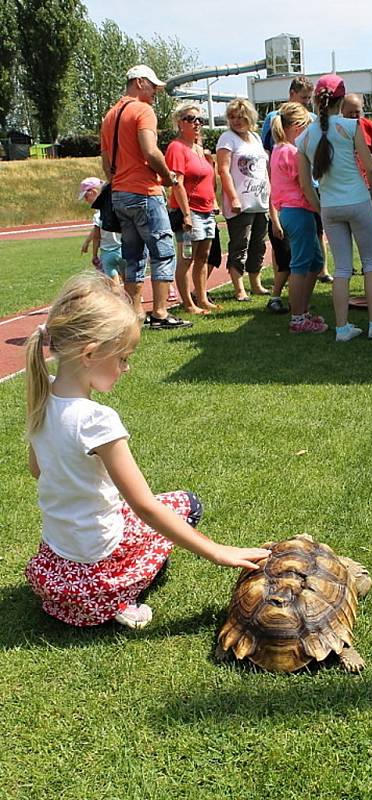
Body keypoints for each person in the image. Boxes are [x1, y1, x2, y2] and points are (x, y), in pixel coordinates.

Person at [24, 273, 270, 629]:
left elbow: (37, 470)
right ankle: (119, 597)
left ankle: (103, 594)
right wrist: (218, 552)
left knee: (130, 514)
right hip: (96, 572)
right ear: (91, 353)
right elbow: (146, 507)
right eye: (123, 357)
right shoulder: (97, 421)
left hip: (57, 569)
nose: (127, 367)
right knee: (188, 504)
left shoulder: (43, 394)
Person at [297, 74, 372, 342]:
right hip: (358, 201)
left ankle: (341, 328)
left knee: (341, 269)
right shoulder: (351, 127)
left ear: (316, 100)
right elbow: (371, 168)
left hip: (330, 207)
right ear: (341, 99)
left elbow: (306, 185)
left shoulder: (303, 138)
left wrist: (320, 208)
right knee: (371, 263)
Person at [100, 64, 192, 330]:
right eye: (153, 86)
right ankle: (161, 313)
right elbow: (150, 151)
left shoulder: (109, 116)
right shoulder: (143, 110)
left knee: (132, 255)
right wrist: (167, 177)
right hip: (144, 192)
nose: (155, 92)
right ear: (139, 82)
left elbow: (106, 162)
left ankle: (135, 312)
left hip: (120, 194)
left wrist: (118, 182)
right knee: (162, 253)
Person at [270, 102, 327, 334]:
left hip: (294, 212)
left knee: (315, 261)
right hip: (298, 211)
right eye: (306, 126)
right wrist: (321, 209)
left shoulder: (279, 150)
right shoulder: (291, 152)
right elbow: (305, 183)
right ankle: (298, 317)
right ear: (296, 127)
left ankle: (302, 311)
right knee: (301, 264)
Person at [165, 103, 219, 314]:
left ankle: (202, 298)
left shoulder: (199, 149)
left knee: (203, 257)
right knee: (187, 257)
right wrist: (186, 214)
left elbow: (209, 180)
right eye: (190, 119)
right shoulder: (176, 148)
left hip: (206, 211)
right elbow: (177, 182)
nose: (197, 123)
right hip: (190, 212)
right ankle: (188, 303)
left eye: (199, 120)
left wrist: (213, 202)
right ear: (180, 123)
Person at [216, 98, 270, 301]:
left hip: (260, 201)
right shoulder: (227, 138)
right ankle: (239, 288)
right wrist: (233, 198)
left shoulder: (255, 138)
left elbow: (263, 170)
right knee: (240, 244)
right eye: (233, 117)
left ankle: (256, 284)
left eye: (241, 117)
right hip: (240, 204)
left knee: (259, 244)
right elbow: (223, 169)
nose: (237, 121)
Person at [79, 177, 123, 286]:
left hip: (108, 252)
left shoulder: (99, 214)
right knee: (129, 280)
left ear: (93, 192)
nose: (86, 200)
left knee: (113, 282)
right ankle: (136, 299)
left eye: (86, 196)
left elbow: (97, 235)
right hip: (123, 248)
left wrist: (94, 254)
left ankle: (116, 300)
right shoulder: (116, 206)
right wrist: (87, 242)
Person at [341, 93, 372, 162]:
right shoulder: (336, 128)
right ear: (342, 111)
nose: (353, 115)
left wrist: (367, 166)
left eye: (357, 112)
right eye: (350, 112)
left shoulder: (369, 126)